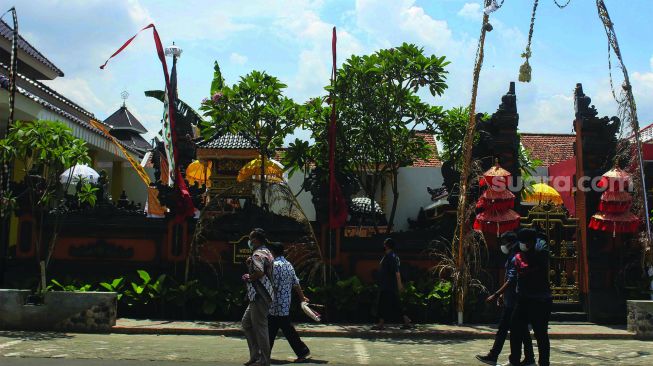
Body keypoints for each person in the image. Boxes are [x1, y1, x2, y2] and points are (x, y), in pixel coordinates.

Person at [476, 231, 535, 366]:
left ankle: (495, 356)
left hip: (514, 301)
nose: (502, 246)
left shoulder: (516, 257)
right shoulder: (512, 257)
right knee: (522, 330)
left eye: (503, 243)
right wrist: (502, 295)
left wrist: (496, 294)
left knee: (505, 329)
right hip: (512, 300)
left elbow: (511, 280)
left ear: (510, 243)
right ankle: (529, 358)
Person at [506, 228, 553, 366]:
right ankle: (515, 360)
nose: (521, 244)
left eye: (524, 242)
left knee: (540, 333)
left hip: (540, 299)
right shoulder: (520, 250)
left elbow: (534, 262)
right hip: (523, 298)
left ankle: (544, 363)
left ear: (531, 242)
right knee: (515, 329)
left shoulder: (541, 250)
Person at [267, 242, 311, 362]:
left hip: (275, 303)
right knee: (273, 327)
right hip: (285, 303)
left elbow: (272, 285)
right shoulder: (288, 264)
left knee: (282, 328)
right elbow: (296, 283)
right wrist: (302, 297)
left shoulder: (274, 265)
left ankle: (302, 351)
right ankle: (265, 352)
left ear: (273, 252)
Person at [241, 228, 275, 366]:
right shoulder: (266, 252)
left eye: (250, 238)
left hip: (259, 295)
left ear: (255, 240)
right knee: (246, 323)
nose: (249, 241)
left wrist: (250, 277)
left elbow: (260, 272)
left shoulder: (257, 255)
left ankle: (264, 360)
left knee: (260, 327)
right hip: (260, 295)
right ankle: (255, 355)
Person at [373, 238, 411, 330]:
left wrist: (399, 284)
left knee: (383, 303)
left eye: (384, 244)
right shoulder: (389, 256)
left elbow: (397, 272)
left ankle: (381, 324)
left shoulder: (392, 257)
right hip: (387, 284)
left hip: (389, 285)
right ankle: (406, 320)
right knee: (395, 303)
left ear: (386, 245)